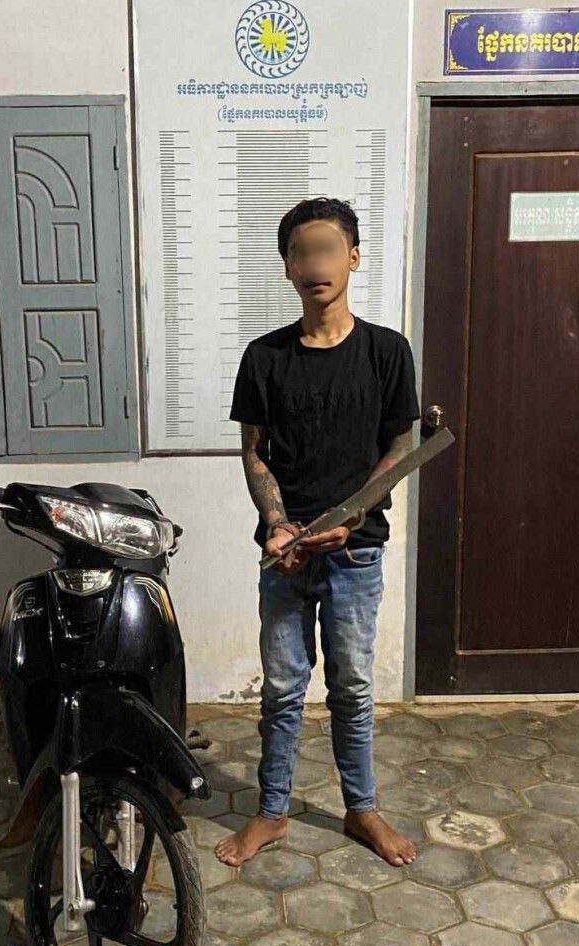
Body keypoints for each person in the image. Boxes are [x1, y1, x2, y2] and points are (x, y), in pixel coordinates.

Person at [214, 197, 421, 869]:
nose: (314, 264)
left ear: (353, 257)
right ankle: (272, 812)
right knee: (282, 688)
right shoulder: (264, 358)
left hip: (356, 552)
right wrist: (278, 524)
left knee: (352, 687)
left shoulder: (387, 352)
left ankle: (362, 809)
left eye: (328, 249)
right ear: (287, 268)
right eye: (300, 253)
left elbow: (400, 445)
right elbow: (255, 453)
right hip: (285, 555)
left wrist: (351, 516)